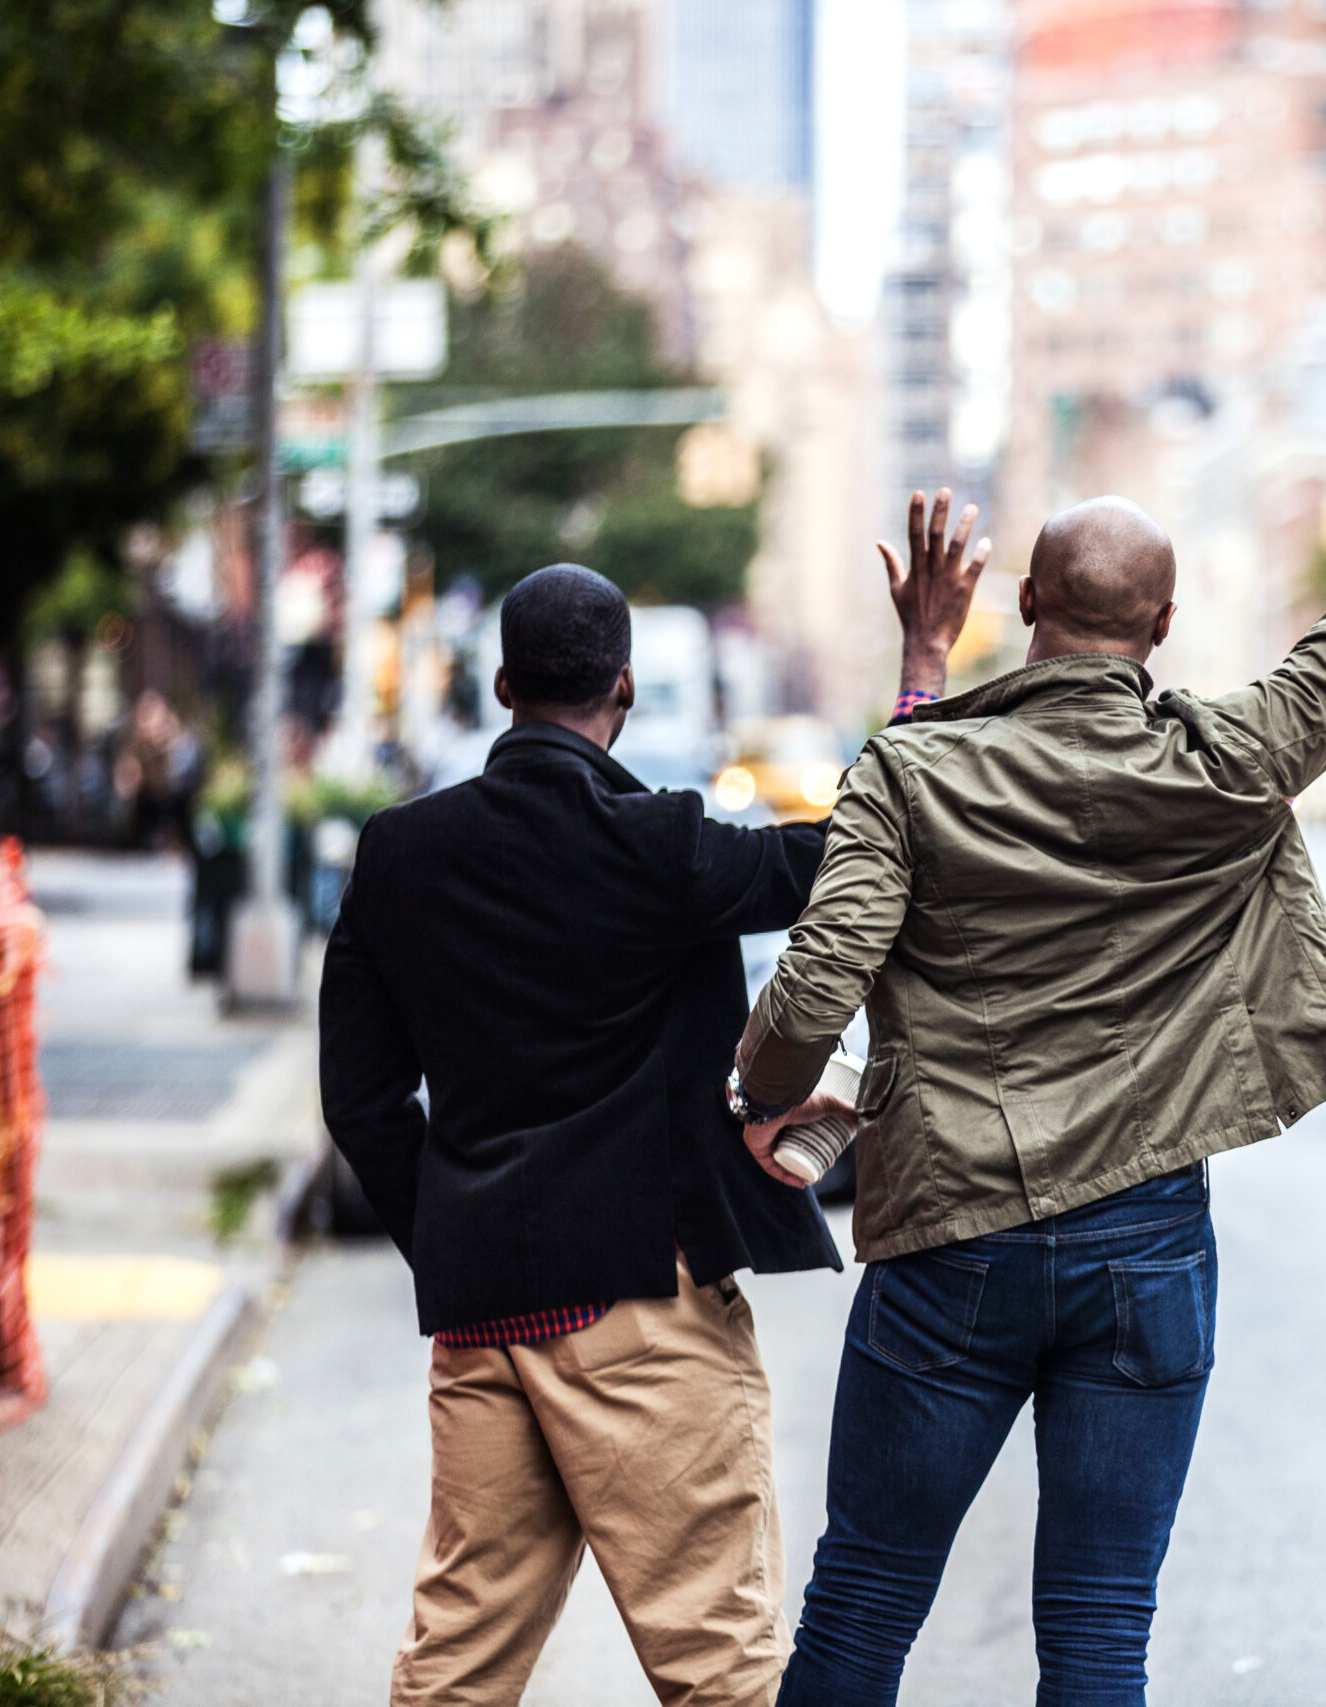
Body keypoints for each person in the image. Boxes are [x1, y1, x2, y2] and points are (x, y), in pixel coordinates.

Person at [730, 235, 1326, 1707]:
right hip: (1146, 1246)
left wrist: (762, 1098)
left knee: (864, 1600)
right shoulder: (1231, 759)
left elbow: (818, 990)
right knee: (1096, 1629)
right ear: (1165, 626)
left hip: (948, 1245)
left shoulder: (909, 769)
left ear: (1024, 602)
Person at [320, 563, 855, 1707]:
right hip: (638, 1313)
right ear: (623, 689)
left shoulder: (399, 852)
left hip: (484, 1320)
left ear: (503, 683)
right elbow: (850, 859)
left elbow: (362, 1103)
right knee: (721, 1666)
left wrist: (457, 1233)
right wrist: (915, 686)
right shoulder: (662, 846)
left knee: (456, 1666)